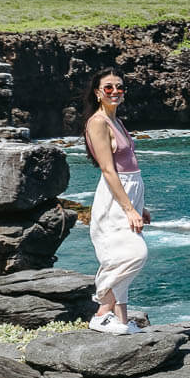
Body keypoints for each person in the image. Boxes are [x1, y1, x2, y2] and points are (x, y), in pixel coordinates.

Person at [82, 71, 150, 335]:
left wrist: (139, 205)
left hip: (129, 192)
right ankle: (102, 313)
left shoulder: (117, 121)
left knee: (120, 256)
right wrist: (129, 208)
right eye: (107, 87)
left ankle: (121, 321)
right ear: (97, 92)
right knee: (133, 254)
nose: (114, 91)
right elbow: (109, 171)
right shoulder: (97, 122)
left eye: (119, 87)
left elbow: (130, 169)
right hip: (113, 200)